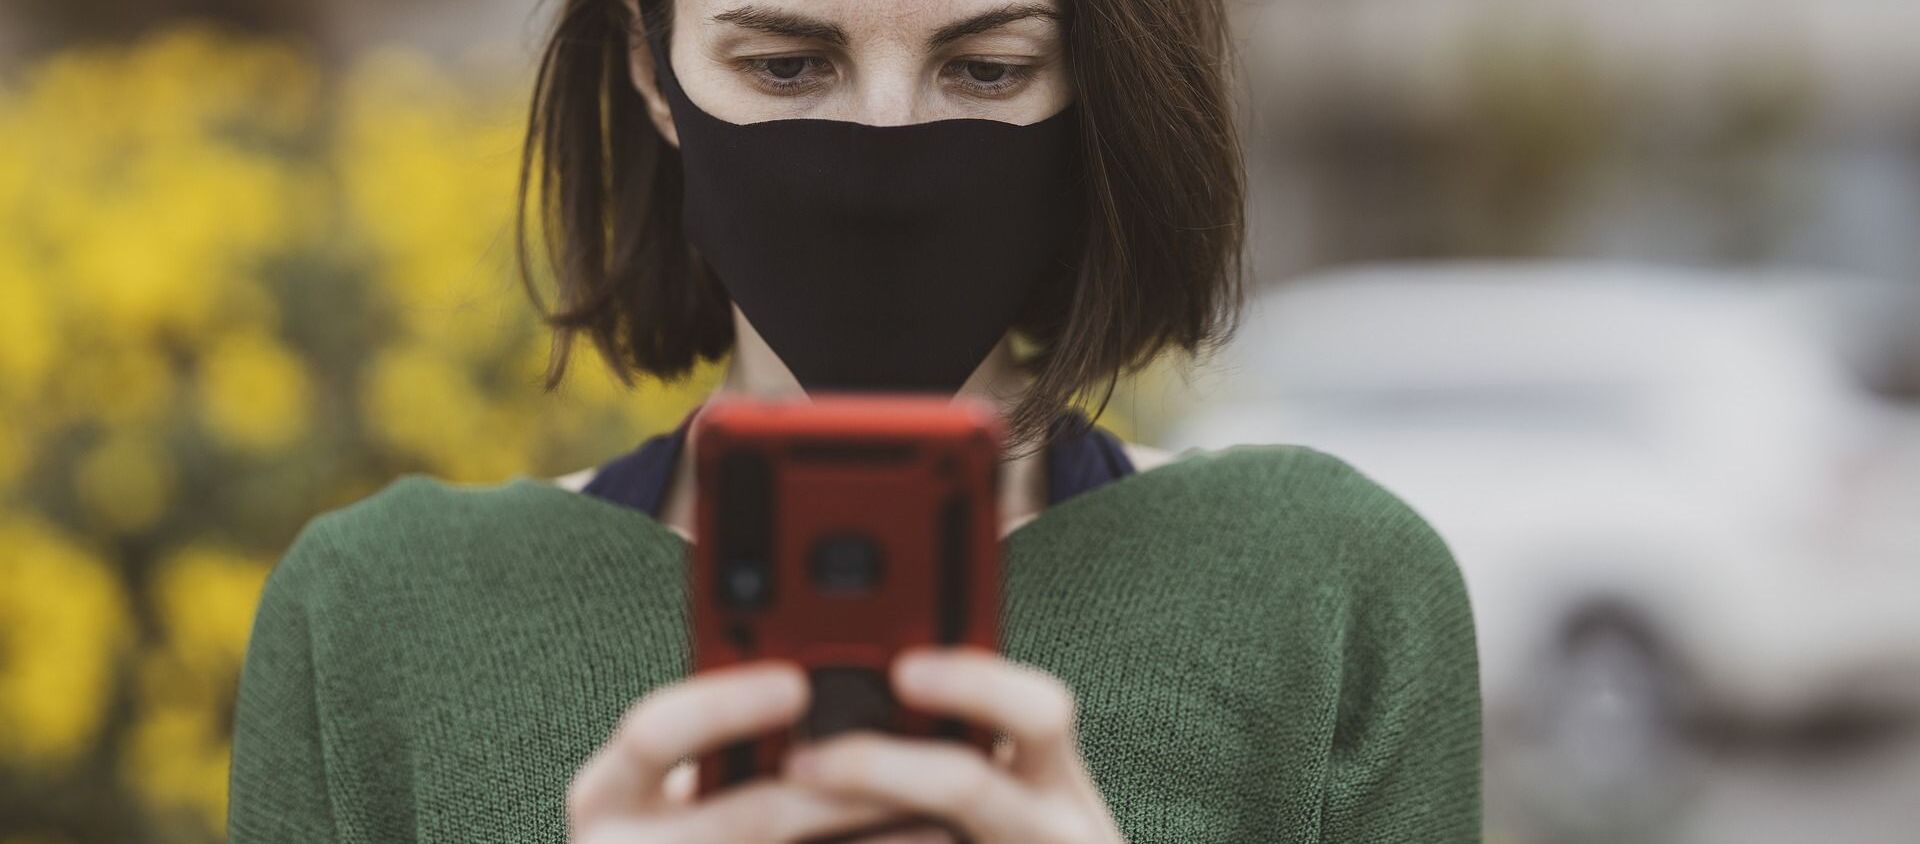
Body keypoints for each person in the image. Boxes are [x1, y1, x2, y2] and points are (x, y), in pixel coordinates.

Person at [227, 0, 1481, 842]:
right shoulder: (379, 614)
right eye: (786, 66)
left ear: (1092, 84)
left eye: (986, 70)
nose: (886, 138)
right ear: (651, 78)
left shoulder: (1322, 587)